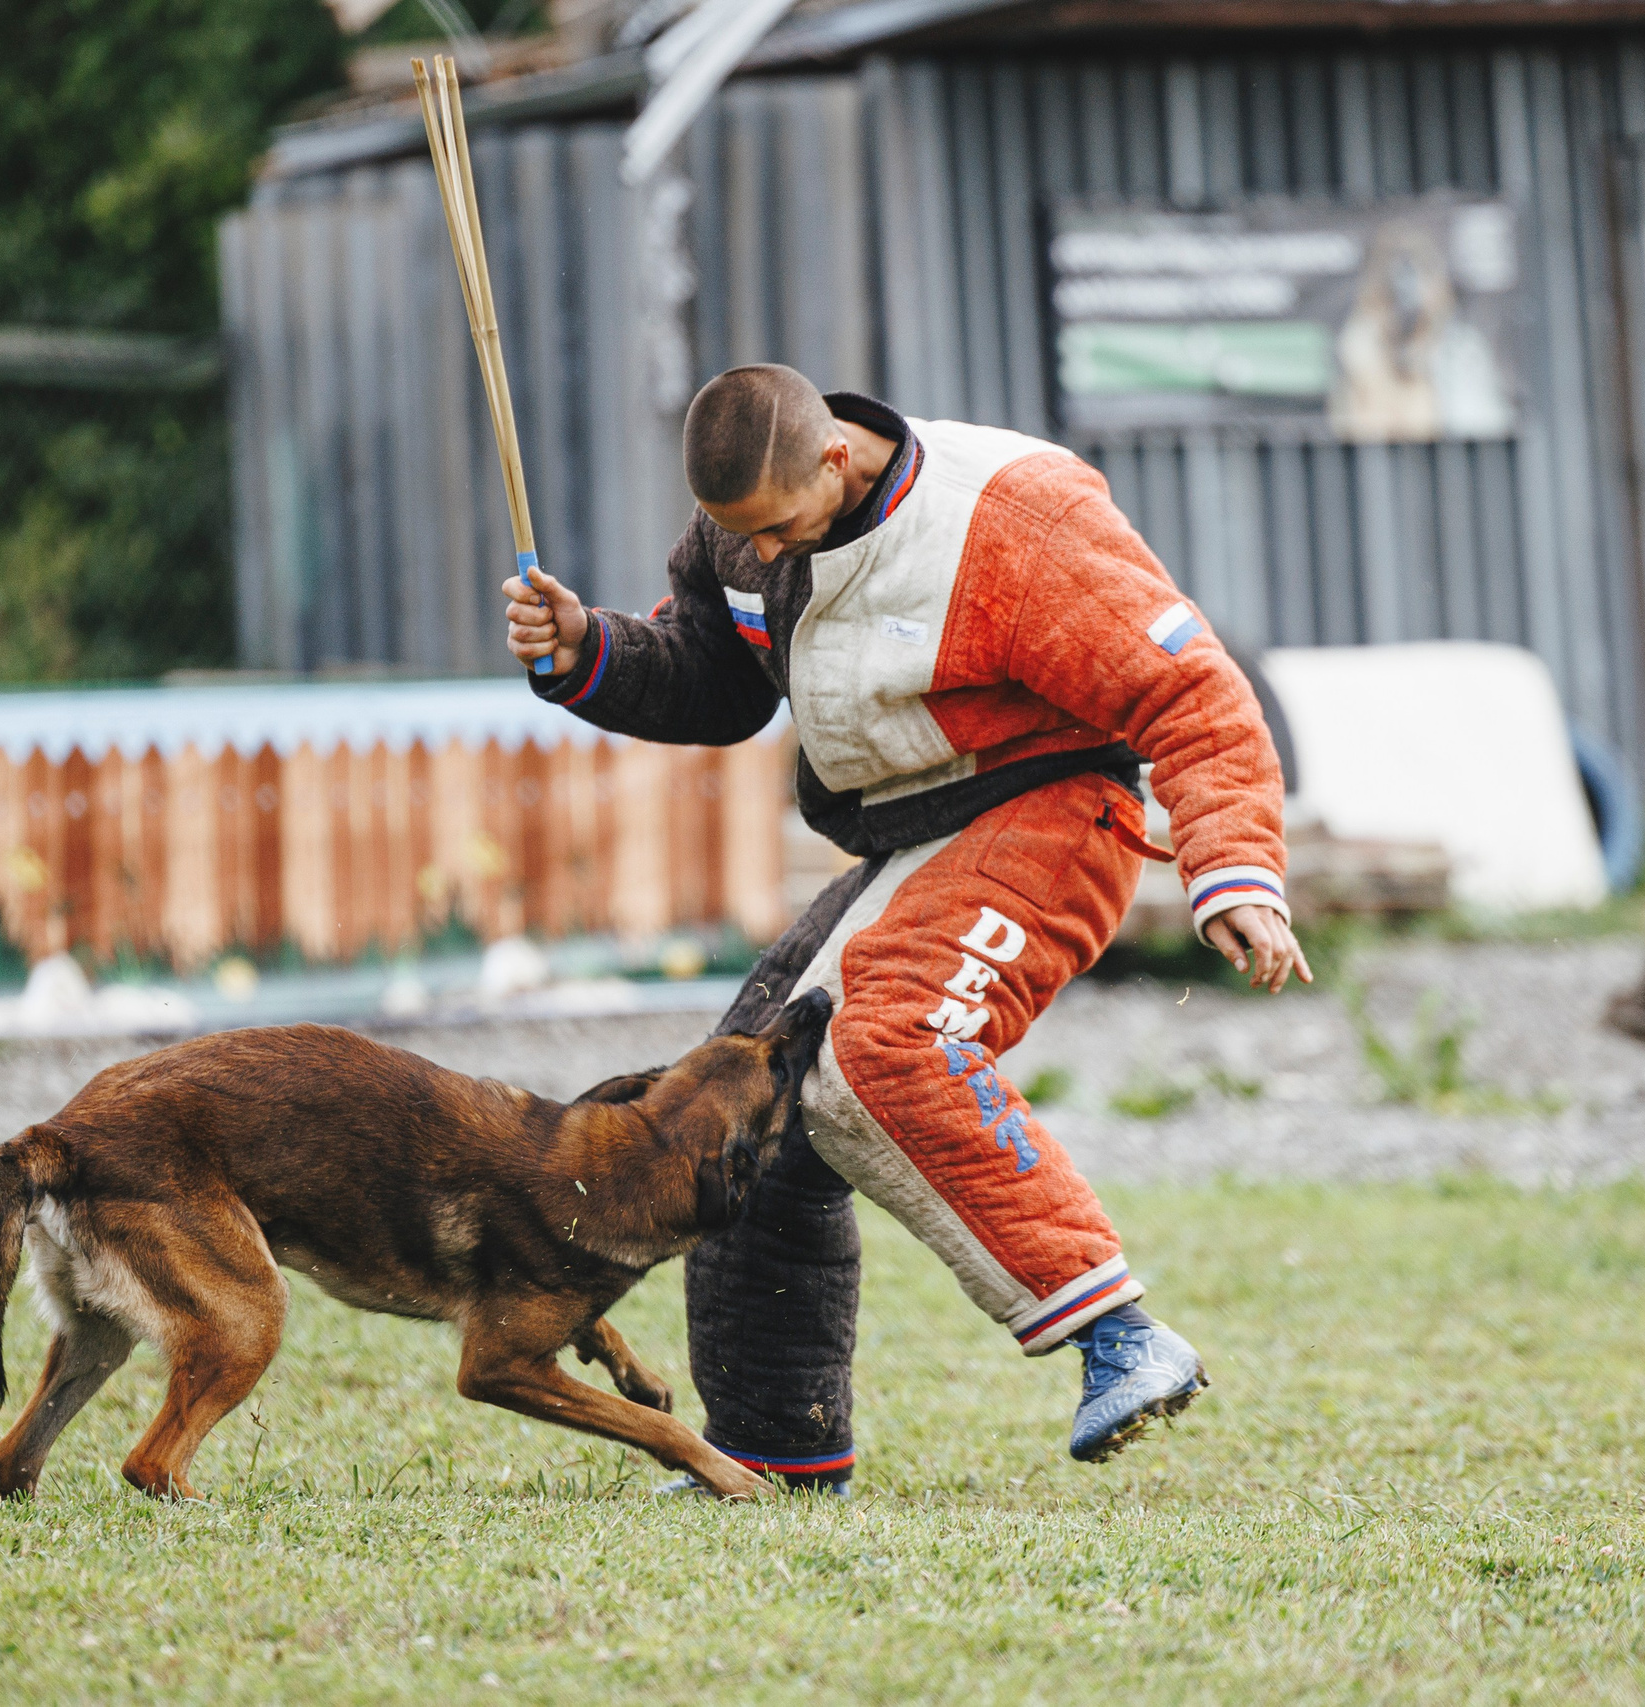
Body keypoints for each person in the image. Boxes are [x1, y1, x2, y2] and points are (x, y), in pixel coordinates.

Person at [503, 364, 1309, 1494]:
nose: (765, 558)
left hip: (1051, 808)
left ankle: (1121, 1336)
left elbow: (1194, 698)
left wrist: (1234, 872)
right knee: (737, 1115)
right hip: (914, 835)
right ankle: (777, 1455)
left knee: (891, 1043)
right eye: (746, 541)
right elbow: (715, 678)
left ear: (835, 454)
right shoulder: (747, 530)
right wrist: (587, 647)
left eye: (779, 530)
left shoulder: (1011, 519)